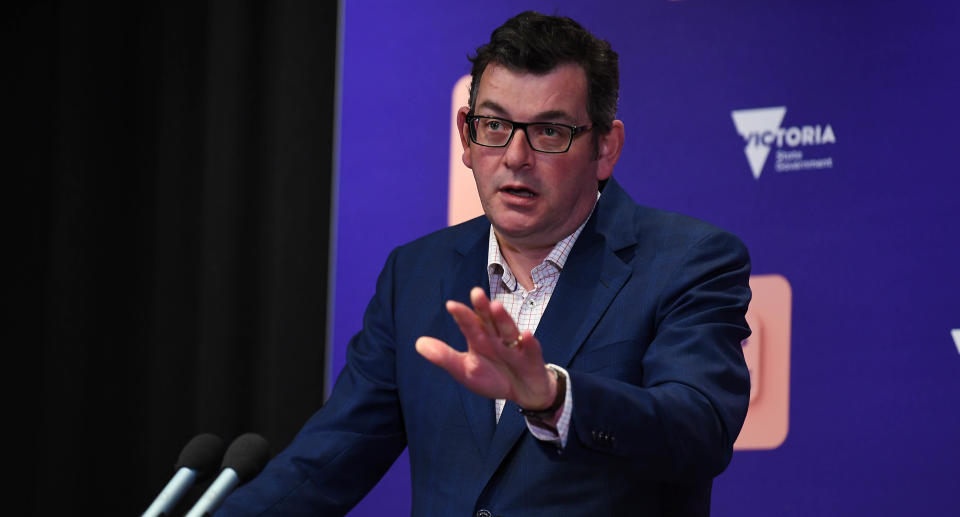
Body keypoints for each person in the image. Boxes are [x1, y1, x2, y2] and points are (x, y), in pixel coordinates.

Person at [218, 11, 751, 517]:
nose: (516, 156)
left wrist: (556, 397)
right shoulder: (416, 274)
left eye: (549, 132)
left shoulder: (686, 261)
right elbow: (329, 458)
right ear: (466, 135)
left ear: (606, 148)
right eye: (495, 125)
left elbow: (697, 429)